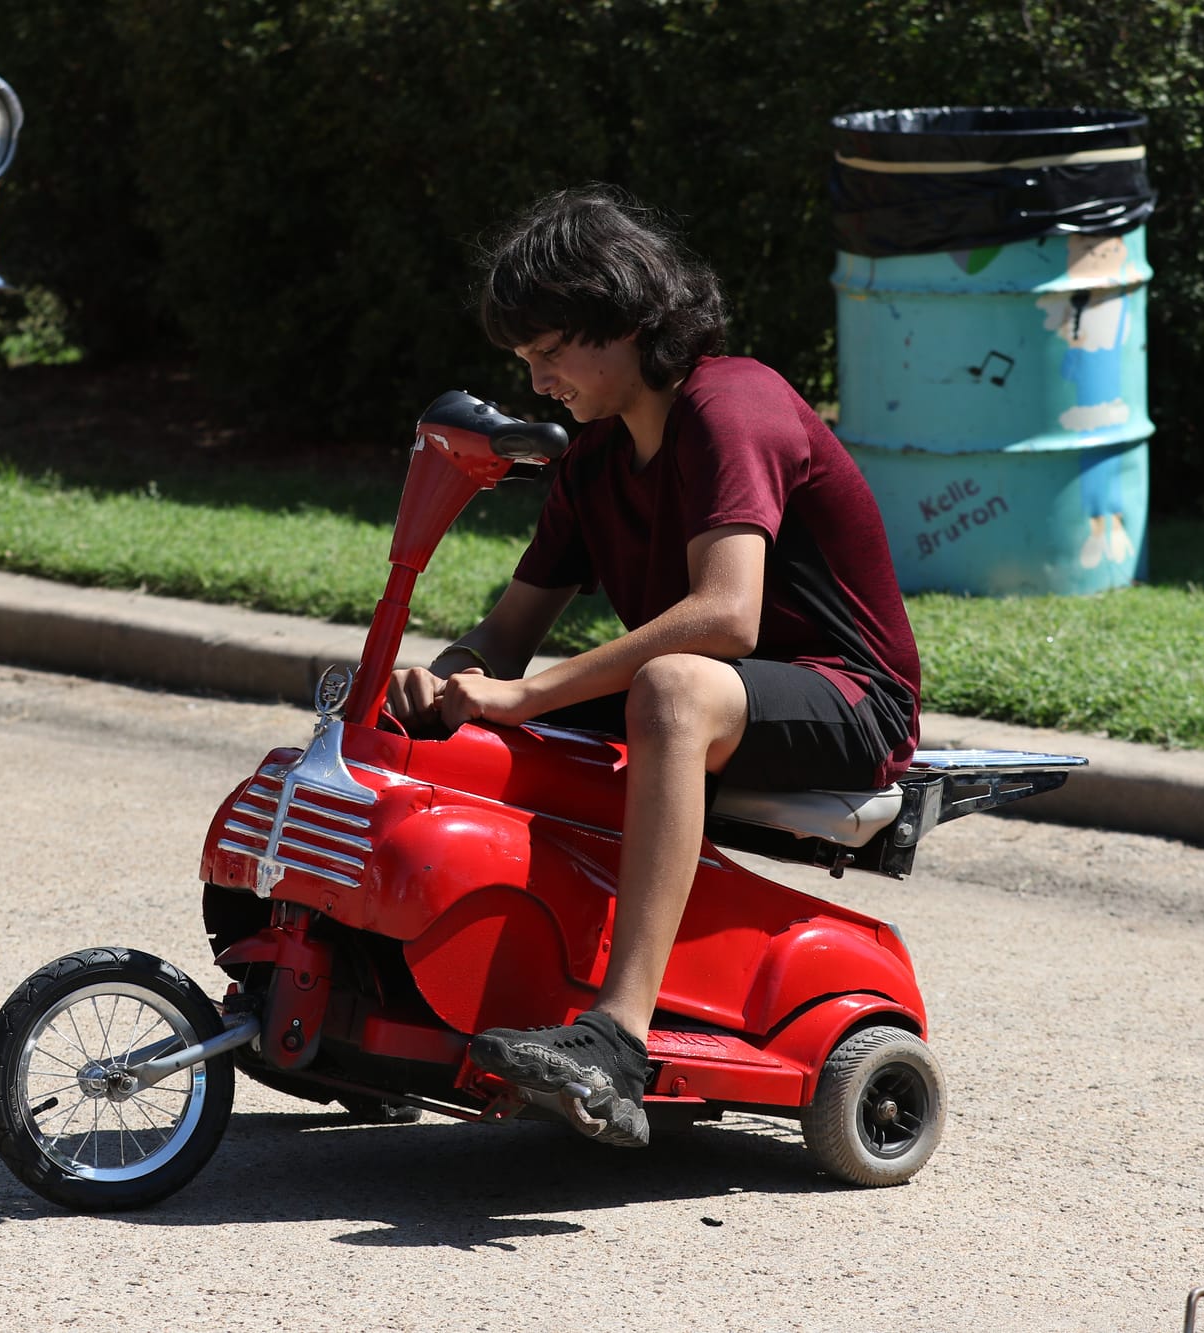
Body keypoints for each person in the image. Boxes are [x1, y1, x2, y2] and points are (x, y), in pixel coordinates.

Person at [386, 187, 921, 1148]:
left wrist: (527, 694)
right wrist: (448, 679)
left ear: (625, 317)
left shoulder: (732, 402)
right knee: (483, 722)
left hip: (846, 696)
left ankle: (617, 1042)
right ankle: (422, 985)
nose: (539, 379)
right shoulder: (592, 458)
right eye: (525, 359)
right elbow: (505, 635)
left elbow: (726, 615)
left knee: (669, 686)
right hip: (711, 696)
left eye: (552, 350)